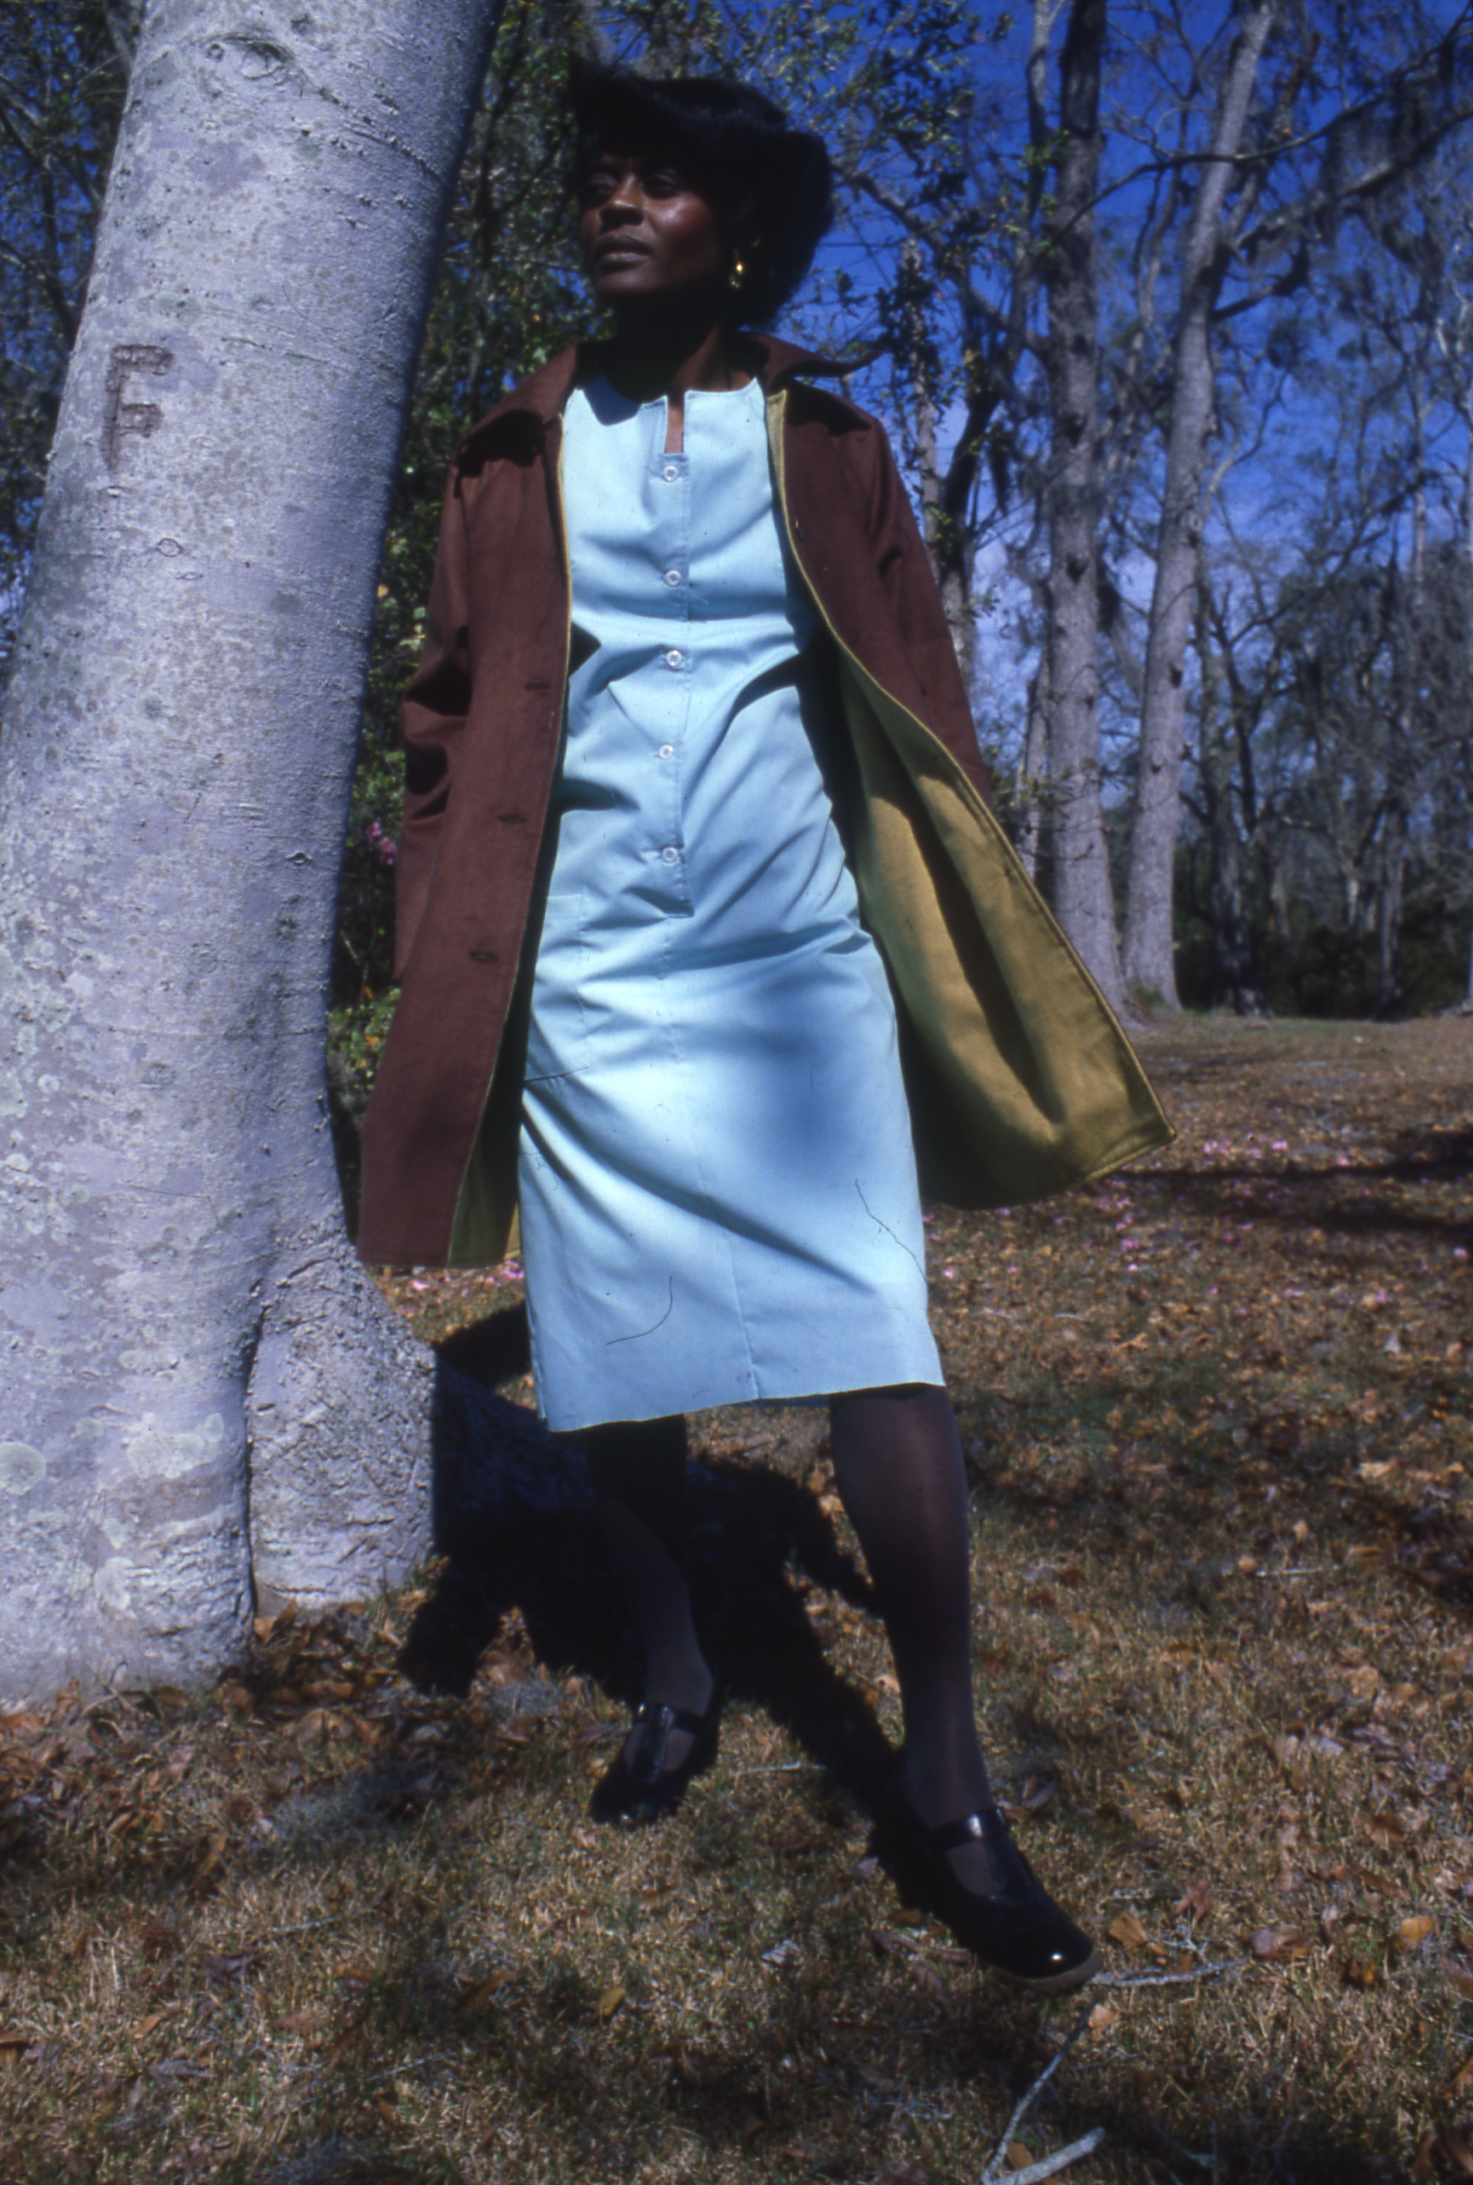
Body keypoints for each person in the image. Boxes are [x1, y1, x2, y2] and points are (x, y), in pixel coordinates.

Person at [358, 63, 1171, 1994]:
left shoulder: (826, 438)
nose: (613, 205)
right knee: (619, 1355)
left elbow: (915, 688)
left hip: (792, 956)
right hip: (585, 970)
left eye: (658, 184)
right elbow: (448, 703)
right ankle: (672, 1676)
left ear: (738, 229)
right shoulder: (509, 447)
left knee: (877, 1342)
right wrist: (439, 899)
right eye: (596, 182)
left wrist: (946, 909)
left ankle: (946, 1780)